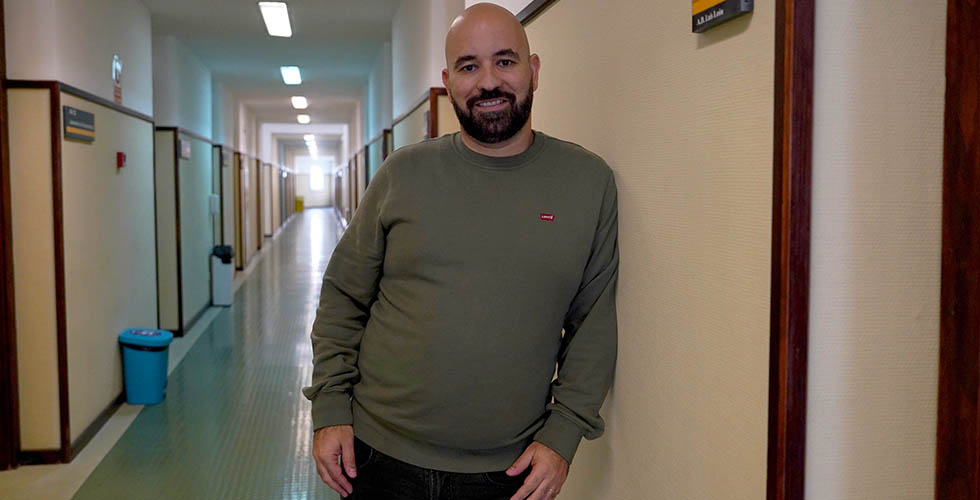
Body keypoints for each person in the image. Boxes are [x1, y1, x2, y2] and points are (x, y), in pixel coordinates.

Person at [302, 3, 618, 499]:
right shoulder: (403, 174)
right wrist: (329, 409)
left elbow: (593, 325)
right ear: (449, 83)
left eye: (505, 61)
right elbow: (343, 295)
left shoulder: (586, 182)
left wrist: (564, 434)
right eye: (469, 67)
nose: (488, 82)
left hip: (507, 471)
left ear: (534, 71)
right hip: (377, 454)